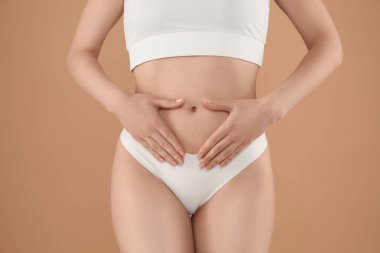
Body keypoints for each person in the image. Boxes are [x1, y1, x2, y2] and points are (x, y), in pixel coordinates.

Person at [67, 0, 343, 252]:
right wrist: (119, 103)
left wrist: (271, 109)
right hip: (148, 162)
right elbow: (81, 52)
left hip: (237, 162)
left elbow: (328, 44)